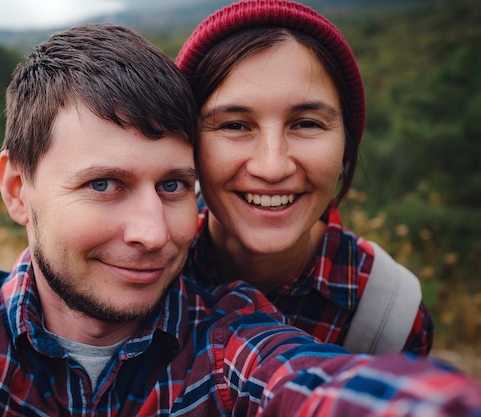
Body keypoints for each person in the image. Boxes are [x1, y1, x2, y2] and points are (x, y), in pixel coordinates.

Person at [0, 21, 481, 417]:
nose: (153, 233)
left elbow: (301, 379)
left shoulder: (226, 332)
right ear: (18, 189)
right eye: (104, 184)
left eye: (174, 186)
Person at [176, 0, 433, 355]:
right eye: (234, 125)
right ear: (188, 144)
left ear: (346, 145)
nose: (272, 166)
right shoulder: (140, 271)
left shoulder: (390, 315)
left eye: (307, 124)